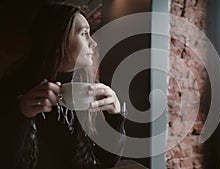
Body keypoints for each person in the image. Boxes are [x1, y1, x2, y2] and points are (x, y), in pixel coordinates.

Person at [0, 3, 126, 169]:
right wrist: (21, 114)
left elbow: (108, 160)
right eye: (84, 34)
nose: (93, 43)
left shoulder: (87, 89)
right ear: (58, 39)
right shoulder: (12, 89)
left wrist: (115, 116)